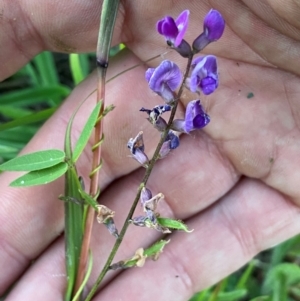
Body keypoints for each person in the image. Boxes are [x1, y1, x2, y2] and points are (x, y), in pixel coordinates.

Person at [1, 0, 300, 300]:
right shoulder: (182, 68)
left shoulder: (191, 70)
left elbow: (191, 91)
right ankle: (110, 245)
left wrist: (185, 99)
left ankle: (114, 245)